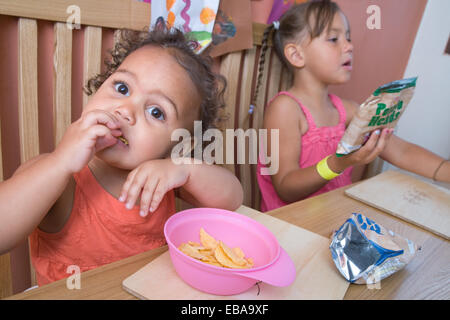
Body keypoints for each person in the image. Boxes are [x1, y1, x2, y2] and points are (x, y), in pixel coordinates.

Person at [0, 26, 243, 285]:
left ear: (179, 145)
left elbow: (232, 200)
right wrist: (60, 161)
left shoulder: (162, 178)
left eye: (156, 112)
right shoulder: (61, 179)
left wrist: (186, 169)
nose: (126, 110)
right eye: (123, 88)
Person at [255, 0, 449, 212]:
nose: (349, 46)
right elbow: (285, 187)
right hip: (290, 226)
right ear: (297, 55)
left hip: (335, 220)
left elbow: (402, 152)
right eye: (333, 39)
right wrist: (337, 164)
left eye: (347, 38)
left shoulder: (348, 111)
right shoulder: (285, 109)